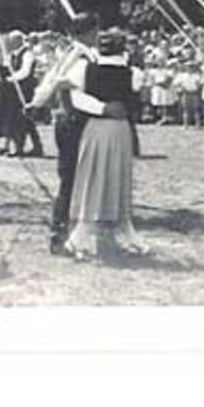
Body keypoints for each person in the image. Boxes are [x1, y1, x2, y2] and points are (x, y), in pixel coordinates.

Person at [62, 25, 148, 260]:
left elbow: (76, 97)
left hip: (97, 128)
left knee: (97, 176)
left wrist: (100, 107)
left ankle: (119, 228)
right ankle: (81, 235)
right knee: (112, 176)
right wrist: (107, 107)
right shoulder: (133, 73)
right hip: (117, 129)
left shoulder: (85, 69)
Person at [26, 13, 98, 255]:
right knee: (72, 179)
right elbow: (57, 82)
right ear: (90, 32)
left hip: (68, 120)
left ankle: (69, 233)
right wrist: (38, 103)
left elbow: (49, 81)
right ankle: (60, 235)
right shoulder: (78, 55)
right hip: (74, 120)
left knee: (72, 178)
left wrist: (36, 102)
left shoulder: (71, 52)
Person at [0, 32, 42, 157]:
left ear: (18, 41)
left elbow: (25, 72)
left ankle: (19, 147)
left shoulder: (27, 54)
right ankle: (34, 146)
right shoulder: (13, 54)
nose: (10, 43)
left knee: (20, 119)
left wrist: (11, 78)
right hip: (14, 91)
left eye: (11, 41)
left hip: (24, 90)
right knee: (21, 120)